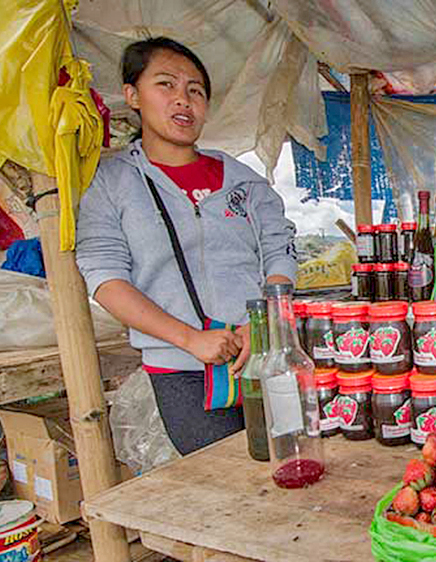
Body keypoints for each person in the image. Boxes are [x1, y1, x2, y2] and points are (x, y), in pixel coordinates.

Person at [76, 37, 297, 455]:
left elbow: (279, 252)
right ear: (132, 95)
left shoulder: (244, 181)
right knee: (222, 490)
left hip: (264, 360)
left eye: (195, 90)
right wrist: (190, 339)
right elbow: (105, 279)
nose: (183, 100)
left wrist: (265, 321)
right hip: (183, 372)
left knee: (288, 469)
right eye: (166, 85)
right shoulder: (111, 182)